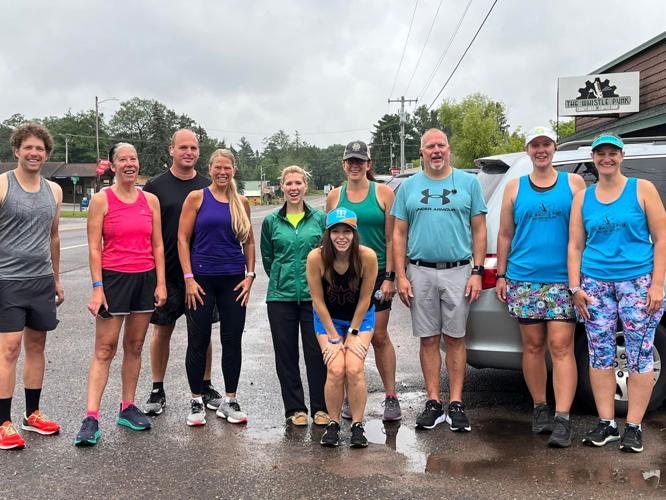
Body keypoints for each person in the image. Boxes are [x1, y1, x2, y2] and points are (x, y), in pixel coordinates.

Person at [569, 134, 665, 453]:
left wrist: (657, 285)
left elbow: (661, 238)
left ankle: (634, 427)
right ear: (594, 159)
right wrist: (575, 288)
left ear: (622, 156)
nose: (606, 158)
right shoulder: (584, 197)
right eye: (600, 153)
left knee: (639, 355)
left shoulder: (642, 189)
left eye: (612, 153)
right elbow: (575, 245)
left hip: (637, 283)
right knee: (599, 354)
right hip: (595, 284)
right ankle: (607, 423)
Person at [496, 126, 586, 447]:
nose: (541, 150)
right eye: (535, 145)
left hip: (563, 280)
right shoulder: (514, 188)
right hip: (524, 279)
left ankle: (563, 417)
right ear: (528, 150)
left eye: (546, 144)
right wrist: (502, 275)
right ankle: (539, 408)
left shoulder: (573, 183)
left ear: (554, 147)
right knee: (532, 346)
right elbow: (506, 235)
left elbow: (582, 231)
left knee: (561, 346)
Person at [392, 128, 487, 431]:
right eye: (430, 146)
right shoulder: (408, 187)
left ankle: (456, 403)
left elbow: (480, 230)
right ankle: (433, 402)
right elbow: (398, 233)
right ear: (421, 152)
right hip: (419, 270)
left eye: (441, 145)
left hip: (459, 270)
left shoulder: (469, 183)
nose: (436, 150)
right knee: (429, 338)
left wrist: (477, 271)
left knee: (456, 338)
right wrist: (400, 276)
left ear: (449, 149)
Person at [75, 143, 166, 446]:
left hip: (145, 277)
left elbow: (157, 245)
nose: (129, 164)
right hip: (113, 279)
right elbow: (93, 247)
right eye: (122, 159)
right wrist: (97, 288)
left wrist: (161, 282)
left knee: (136, 345)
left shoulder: (150, 200)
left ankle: (127, 407)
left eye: (133, 159)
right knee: (105, 348)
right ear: (113, 166)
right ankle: (91, 417)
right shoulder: (102, 200)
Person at [142, 129, 221, 416]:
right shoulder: (155, 186)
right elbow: (146, 230)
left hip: (201, 276)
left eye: (194, 148)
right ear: (171, 150)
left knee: (202, 335)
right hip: (166, 274)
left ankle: (206, 385)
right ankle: (156, 389)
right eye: (183, 147)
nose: (189, 152)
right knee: (162, 331)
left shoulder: (207, 186)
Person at [178, 149, 256, 427]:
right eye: (217, 167)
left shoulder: (241, 202)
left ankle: (230, 400)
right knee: (198, 341)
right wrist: (188, 277)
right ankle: (196, 400)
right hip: (200, 281)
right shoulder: (197, 198)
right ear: (210, 169)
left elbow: (248, 242)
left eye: (227, 168)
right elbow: (182, 239)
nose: (222, 172)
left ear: (234, 170)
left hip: (233, 281)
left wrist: (250, 276)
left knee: (232, 340)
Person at [326, 140, 401, 422]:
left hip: (378, 273)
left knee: (378, 336)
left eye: (360, 161)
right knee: (344, 337)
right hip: (344, 276)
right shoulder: (335, 196)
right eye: (350, 161)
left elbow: (393, 237)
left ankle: (391, 396)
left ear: (368, 165)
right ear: (344, 165)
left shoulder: (382, 193)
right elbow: (329, 238)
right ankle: (348, 396)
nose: (355, 166)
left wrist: (391, 277)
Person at [0, 123, 64, 450]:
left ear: (46, 153)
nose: (34, 153)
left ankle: (32, 414)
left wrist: (56, 278)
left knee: (37, 348)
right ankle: (3, 422)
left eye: (40, 149)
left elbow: (53, 236)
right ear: (17, 150)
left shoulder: (53, 191)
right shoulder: (2, 185)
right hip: (7, 280)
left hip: (41, 280)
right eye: (29, 148)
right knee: (9, 348)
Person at [261, 166, 329, 426]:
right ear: (282, 186)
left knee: (317, 353)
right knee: (286, 354)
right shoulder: (271, 221)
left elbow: (328, 253)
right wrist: (281, 277)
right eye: (288, 183)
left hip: (315, 298)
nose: (293, 187)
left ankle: (321, 407)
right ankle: (295, 409)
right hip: (280, 298)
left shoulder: (319, 219)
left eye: (298, 182)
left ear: (305, 185)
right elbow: (268, 258)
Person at [307, 208, 378, 448]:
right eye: (335, 231)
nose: (341, 237)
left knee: (354, 368)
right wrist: (335, 337)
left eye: (346, 231)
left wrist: (353, 333)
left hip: (360, 319)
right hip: (328, 319)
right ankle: (334, 423)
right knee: (336, 369)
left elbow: (366, 299)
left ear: (354, 233)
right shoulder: (316, 257)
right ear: (327, 234)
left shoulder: (366, 256)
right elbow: (317, 300)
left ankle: (357, 425)